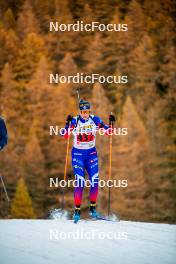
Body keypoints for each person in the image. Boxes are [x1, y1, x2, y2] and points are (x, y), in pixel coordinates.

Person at [64, 99, 115, 222]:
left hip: (91, 154)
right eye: (83, 112)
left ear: (89, 111)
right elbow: (65, 135)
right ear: (80, 112)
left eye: (87, 111)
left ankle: (93, 209)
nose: (85, 114)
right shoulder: (75, 121)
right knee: (80, 181)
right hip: (78, 154)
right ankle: (77, 211)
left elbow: (108, 132)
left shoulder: (95, 120)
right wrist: (67, 124)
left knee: (95, 180)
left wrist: (112, 124)